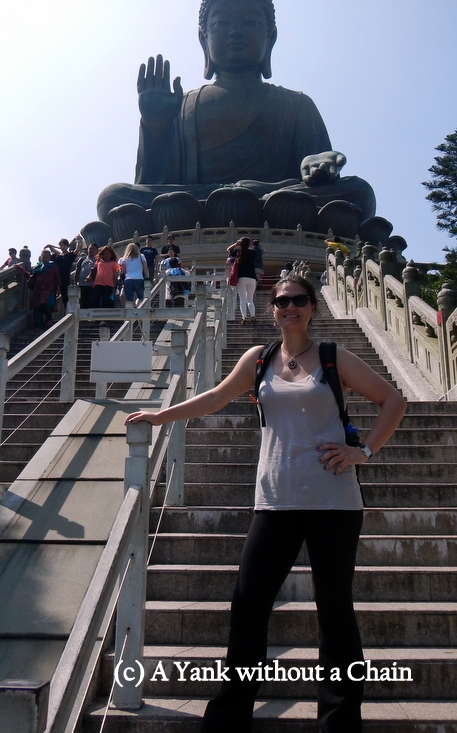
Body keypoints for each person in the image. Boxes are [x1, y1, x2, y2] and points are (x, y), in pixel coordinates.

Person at [125, 274, 406, 733]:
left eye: (297, 300)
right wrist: (161, 414)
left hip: (333, 500)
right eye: (280, 301)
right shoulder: (259, 359)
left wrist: (365, 450)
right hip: (274, 499)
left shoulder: (334, 358)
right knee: (248, 605)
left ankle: (339, 722)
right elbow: (216, 397)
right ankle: (229, 716)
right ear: (270, 308)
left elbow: (392, 400)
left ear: (313, 307)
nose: (288, 307)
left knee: (334, 612)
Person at [96, 0, 376, 231]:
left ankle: (251, 199)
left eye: (250, 23)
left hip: (276, 199)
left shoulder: (296, 105)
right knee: (112, 197)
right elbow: (154, 184)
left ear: (271, 37)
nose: (235, 32)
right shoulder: (182, 106)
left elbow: (319, 170)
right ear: (203, 39)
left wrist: (317, 167)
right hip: (199, 201)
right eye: (221, 24)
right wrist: (155, 127)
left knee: (359, 193)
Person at [28, 250, 61, 329]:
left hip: (48, 289)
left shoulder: (53, 266)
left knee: (44, 304)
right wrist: (22, 270)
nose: (45, 259)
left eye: (47, 257)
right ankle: (39, 326)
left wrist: (58, 289)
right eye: (43, 257)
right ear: (40, 257)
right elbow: (30, 275)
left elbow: (57, 278)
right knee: (36, 308)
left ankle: (49, 318)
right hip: (38, 290)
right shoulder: (38, 267)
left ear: (49, 258)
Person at [47, 237, 82, 308]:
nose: (62, 247)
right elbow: (57, 253)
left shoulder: (70, 256)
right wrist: (50, 247)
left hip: (65, 280)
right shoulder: (58, 257)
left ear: (67, 246)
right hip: (55, 279)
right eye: (61, 245)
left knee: (65, 299)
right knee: (51, 298)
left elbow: (77, 250)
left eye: (64, 245)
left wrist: (78, 241)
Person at [228, 237, 257, 325]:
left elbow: (228, 249)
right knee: (250, 300)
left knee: (242, 299)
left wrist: (236, 244)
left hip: (241, 278)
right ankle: (253, 316)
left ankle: (244, 317)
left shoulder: (238, 252)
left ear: (241, 243)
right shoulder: (253, 253)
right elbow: (251, 250)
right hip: (252, 278)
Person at [74, 243, 99, 308]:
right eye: (90, 248)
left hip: (93, 286)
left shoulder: (98, 261)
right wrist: (75, 282)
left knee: (91, 304)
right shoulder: (82, 259)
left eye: (93, 249)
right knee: (82, 304)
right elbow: (77, 271)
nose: (91, 250)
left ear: (97, 251)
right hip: (82, 285)